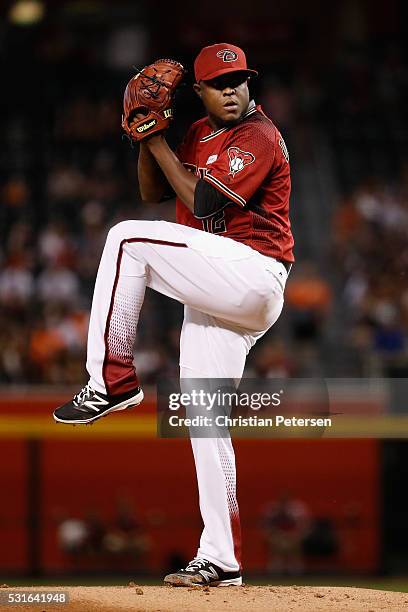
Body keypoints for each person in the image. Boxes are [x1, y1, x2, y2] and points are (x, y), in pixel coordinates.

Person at [53, 43, 294, 586]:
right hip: (218, 291)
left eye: (240, 80)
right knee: (205, 423)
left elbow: (205, 205)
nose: (232, 90)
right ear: (200, 93)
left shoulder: (258, 133)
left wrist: (157, 138)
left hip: (254, 271)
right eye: (220, 83)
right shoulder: (194, 136)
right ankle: (222, 558)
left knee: (125, 237)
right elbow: (151, 189)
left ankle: (113, 380)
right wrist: (145, 136)